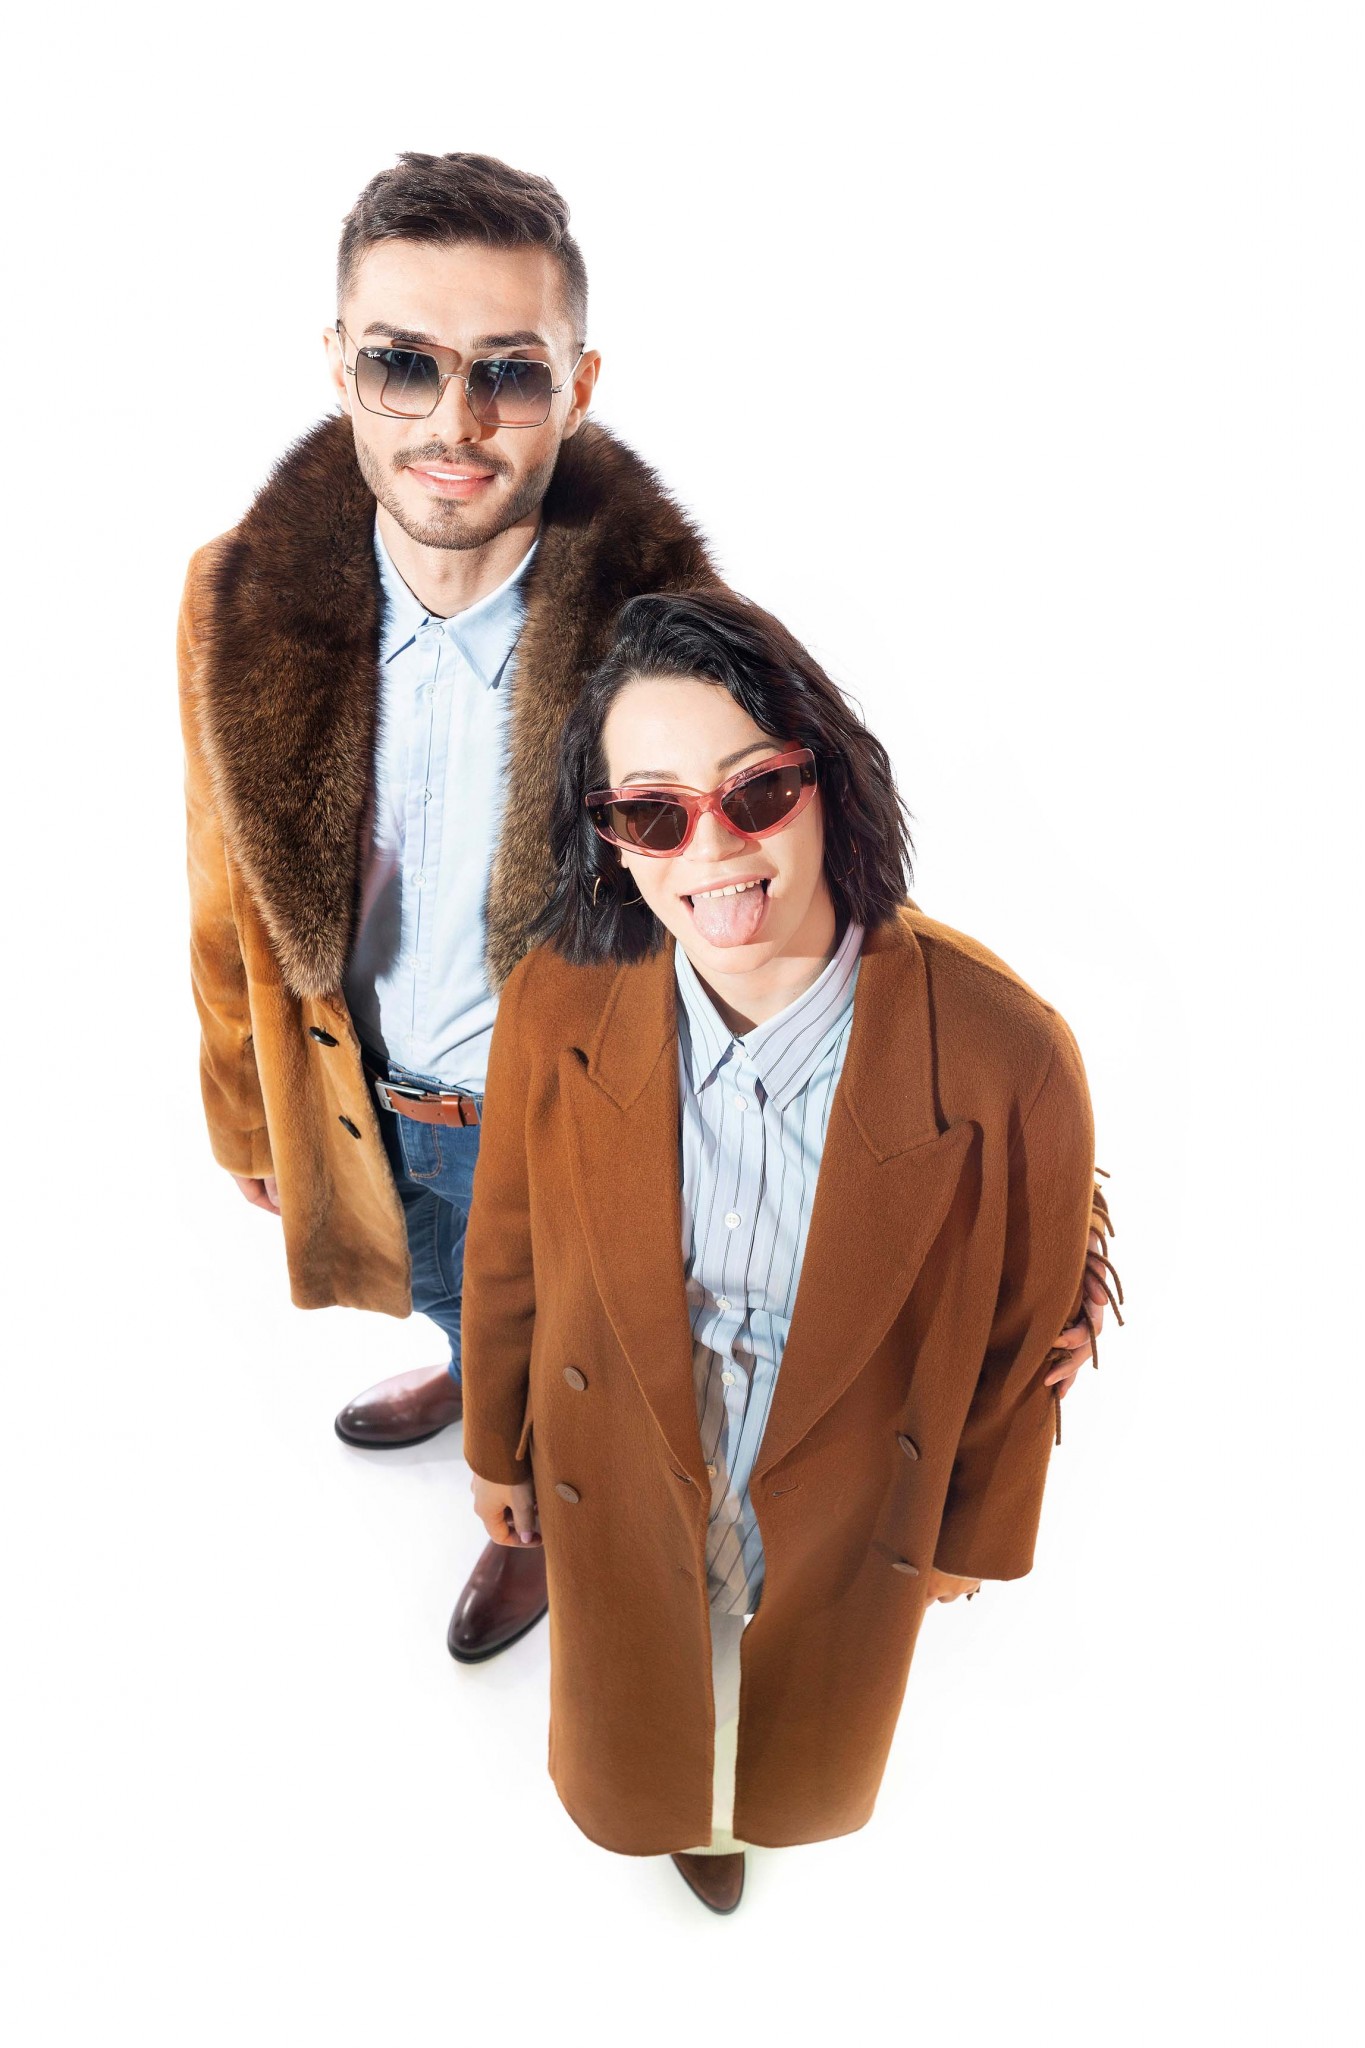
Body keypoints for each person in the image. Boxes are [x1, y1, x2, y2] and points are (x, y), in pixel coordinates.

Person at [177, 149, 1111, 1672]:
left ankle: (533, 1501)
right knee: (450, 1287)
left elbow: (808, 889)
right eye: (404, 364)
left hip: (575, 1117)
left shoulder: (664, 644)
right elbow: (223, 874)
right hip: (361, 1099)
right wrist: (247, 1110)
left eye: (508, 373)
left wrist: (1036, 1208)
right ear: (338, 363)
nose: (453, 424)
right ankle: (471, 1373)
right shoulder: (234, 593)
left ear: (579, 382)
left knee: (581, 1344)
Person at [459, 589, 1124, 1912]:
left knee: (793, 1709)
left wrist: (967, 1540)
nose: (710, 851)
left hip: (841, 1488)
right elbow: (510, 1246)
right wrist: (496, 1448)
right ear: (610, 843)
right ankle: (678, 1806)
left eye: (755, 792)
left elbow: (1022, 1337)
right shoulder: (557, 1000)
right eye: (653, 814)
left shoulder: (1006, 1053)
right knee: (647, 1685)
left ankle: (745, 1803)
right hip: (625, 1454)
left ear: (830, 783)